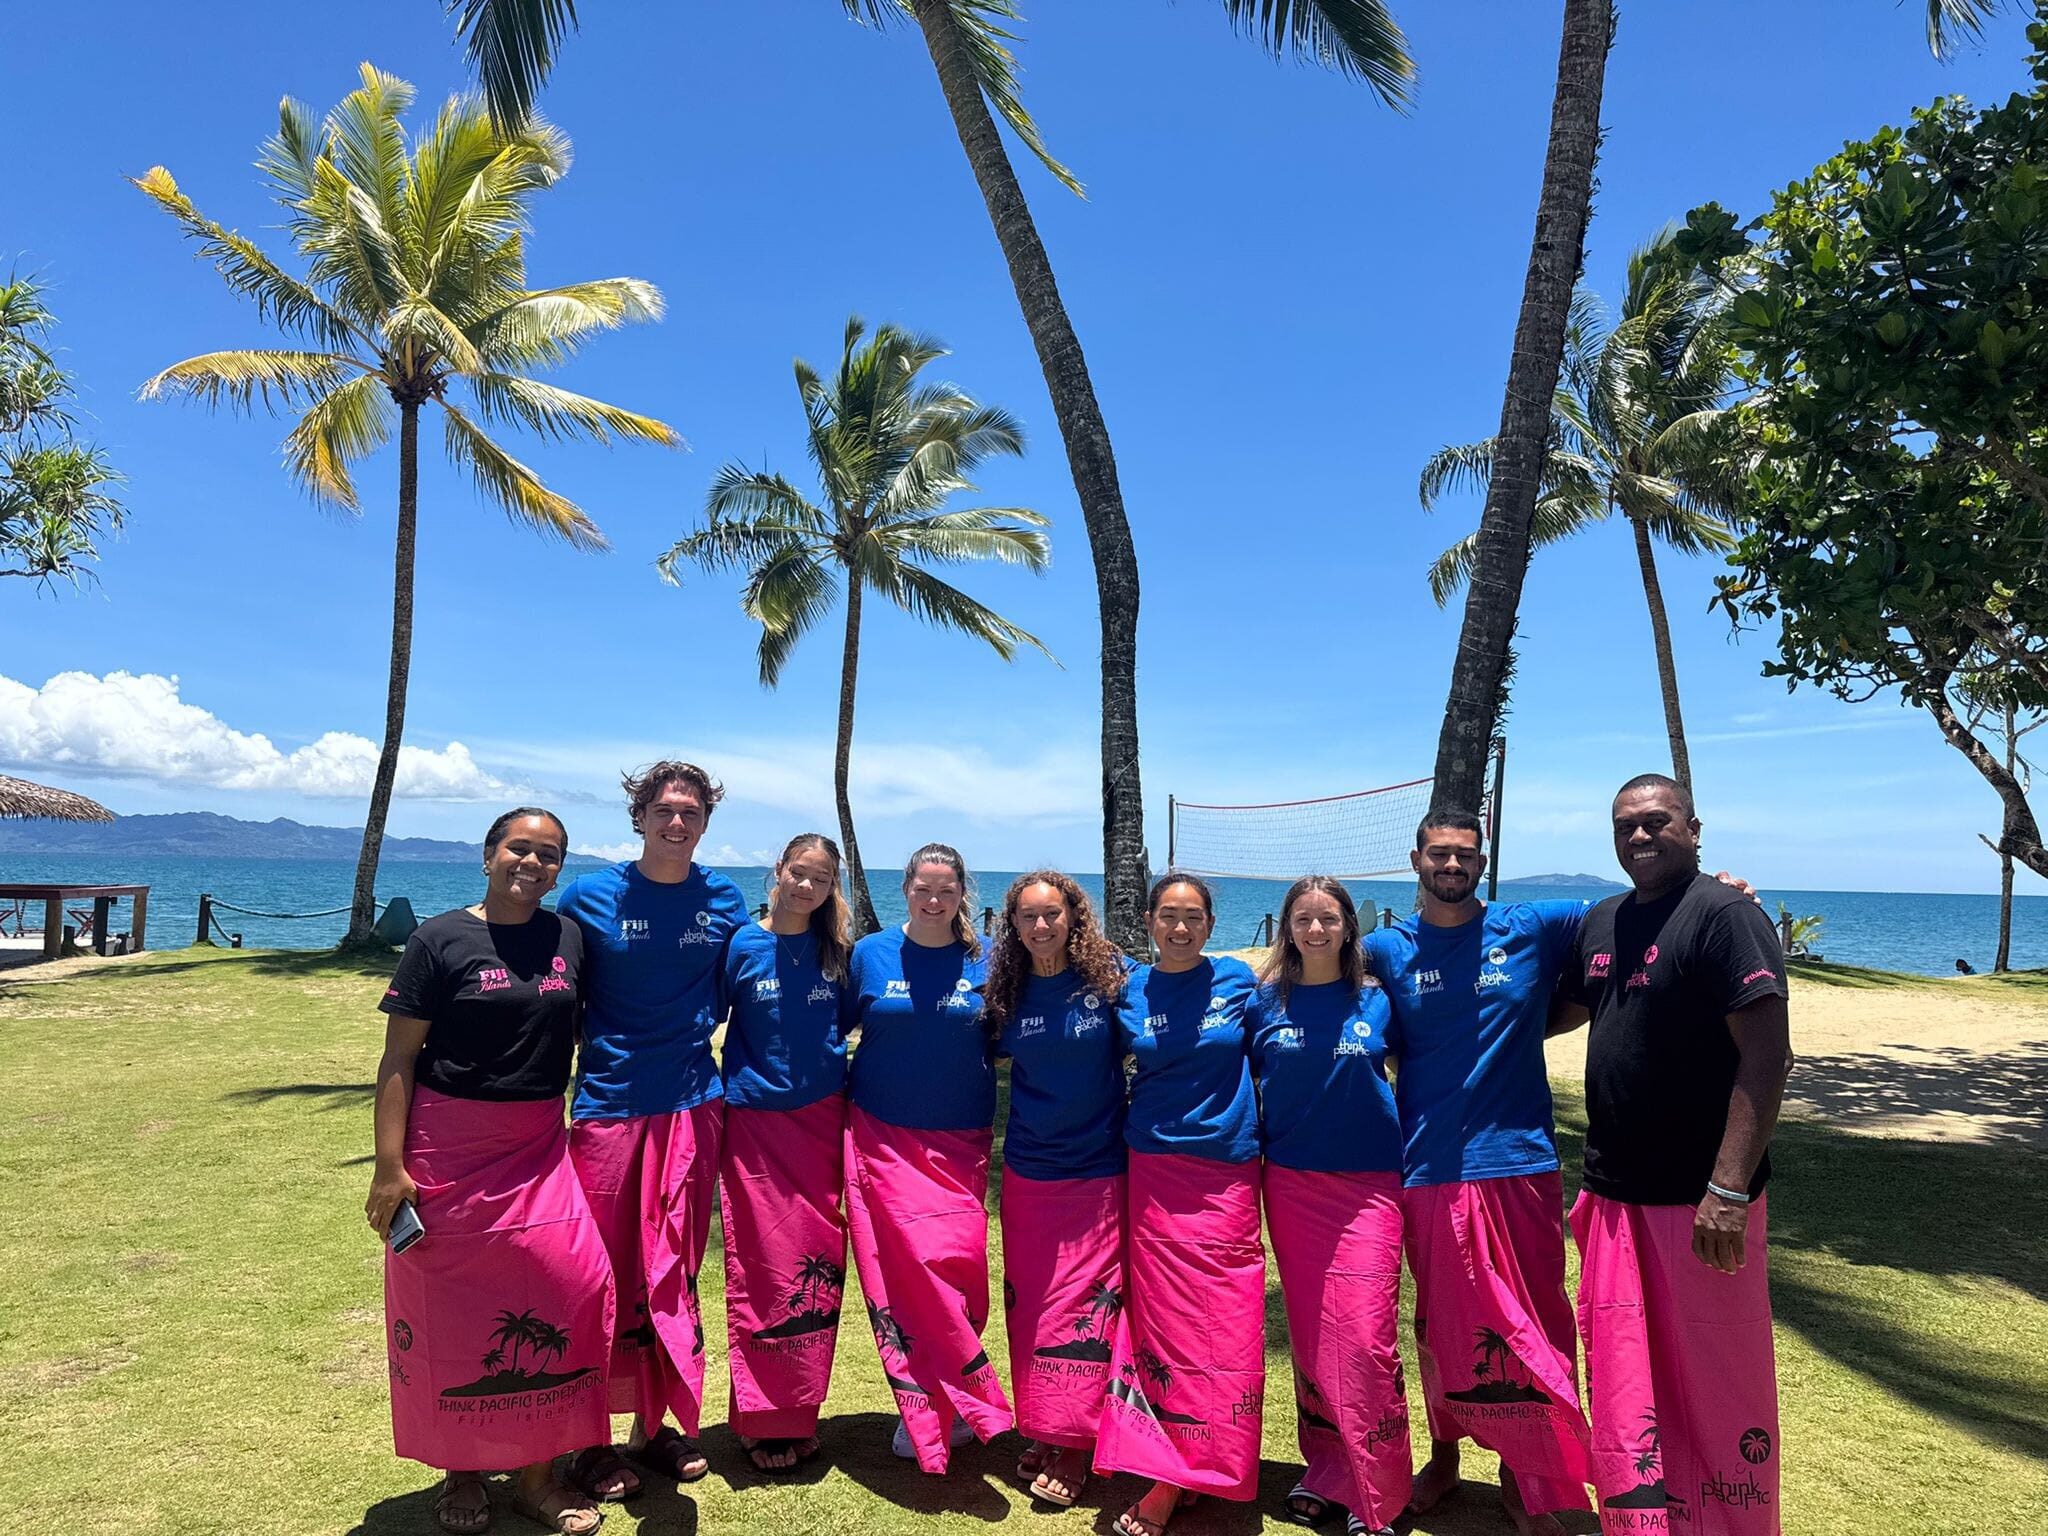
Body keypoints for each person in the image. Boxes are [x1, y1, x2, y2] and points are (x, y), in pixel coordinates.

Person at [1554, 774, 1792, 1536]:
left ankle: (1730, 1523)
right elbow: (1549, 1010)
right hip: (1614, 1197)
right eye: (1625, 826)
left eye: (1657, 822)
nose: (1640, 836)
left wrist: (1727, 1187)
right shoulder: (1603, 920)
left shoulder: (1727, 914)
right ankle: (1641, 1525)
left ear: (1693, 827)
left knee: (1717, 1386)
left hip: (1700, 1207)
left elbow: (1767, 1055)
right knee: (1627, 1386)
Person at [367, 808, 611, 1536]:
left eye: (548, 854)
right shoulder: (438, 939)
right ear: (488, 855)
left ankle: (538, 1478)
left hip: (540, 1142)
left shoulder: (567, 935)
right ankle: (463, 1468)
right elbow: (398, 1059)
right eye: (518, 848)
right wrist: (389, 1168)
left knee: (574, 1284)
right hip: (450, 1145)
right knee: (452, 1310)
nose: (531, 863)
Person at [1363, 810, 1596, 1536]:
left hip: (1521, 1160)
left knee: (1539, 1322)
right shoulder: (1385, 948)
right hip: (1427, 1164)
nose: (1452, 865)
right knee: (1441, 1325)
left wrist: (1716, 891)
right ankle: (1443, 1456)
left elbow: (1628, 918)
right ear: (1416, 859)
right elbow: (1316, 988)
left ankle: (1527, 1478)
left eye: (1465, 854)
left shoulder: (1535, 925)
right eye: (1440, 854)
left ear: (1482, 859)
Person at [556, 762, 750, 1494]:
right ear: (639, 816)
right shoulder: (589, 894)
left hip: (694, 1104)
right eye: (664, 810)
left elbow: (756, 982)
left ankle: (654, 1429)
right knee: (599, 1273)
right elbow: (550, 990)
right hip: (606, 1107)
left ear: (705, 822)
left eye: (691, 812)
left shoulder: (723, 899)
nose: (677, 823)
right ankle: (586, 1440)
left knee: (673, 1270)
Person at [1097, 873, 1265, 1536]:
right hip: (1152, 1175)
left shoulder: (1240, 983)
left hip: (1225, 1177)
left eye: (1192, 916)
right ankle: (1174, 1462)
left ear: (1211, 923)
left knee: (1222, 1324)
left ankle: (1197, 1465)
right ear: (1149, 921)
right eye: (1168, 915)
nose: (1180, 927)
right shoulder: (1129, 990)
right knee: (1162, 1326)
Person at [843, 843, 1012, 1473]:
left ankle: (957, 1396)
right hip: (881, 1138)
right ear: (906, 888)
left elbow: (1013, 1033)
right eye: (923, 887)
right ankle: (918, 1407)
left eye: (947, 889)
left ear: (963, 891)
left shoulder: (989, 959)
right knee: (900, 1279)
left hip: (962, 1142)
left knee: (956, 1270)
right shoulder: (870, 954)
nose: (935, 899)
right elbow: (833, 1027)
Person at [1250, 878, 1409, 1536]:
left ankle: (1379, 1492)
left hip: (1370, 1188)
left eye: (1328, 919)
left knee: (1368, 1341)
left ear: (1350, 927)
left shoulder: (1380, 999)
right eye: (1303, 919)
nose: (1315, 930)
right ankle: (1327, 1471)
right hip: (1291, 1188)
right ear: (1287, 928)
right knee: (1317, 1342)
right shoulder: (1261, 1004)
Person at [982, 870, 1131, 1507]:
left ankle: (1077, 1441)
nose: (1040, 927)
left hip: (1099, 1170)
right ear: (1012, 925)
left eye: (1052, 914)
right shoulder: (1005, 992)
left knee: (1088, 1309)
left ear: (1075, 916)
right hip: (1028, 1173)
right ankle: (1045, 1424)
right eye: (1027, 917)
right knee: (1034, 1306)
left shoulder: (1112, 979)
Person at [716, 834, 854, 1473]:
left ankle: (801, 1412)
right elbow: (697, 1019)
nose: (807, 887)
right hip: (755, 1128)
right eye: (799, 873)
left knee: (817, 1268)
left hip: (824, 1125)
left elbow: (864, 1020)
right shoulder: (741, 944)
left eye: (821, 879)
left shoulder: (838, 953)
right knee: (762, 1263)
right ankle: (759, 1416)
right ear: (778, 871)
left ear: (832, 889)